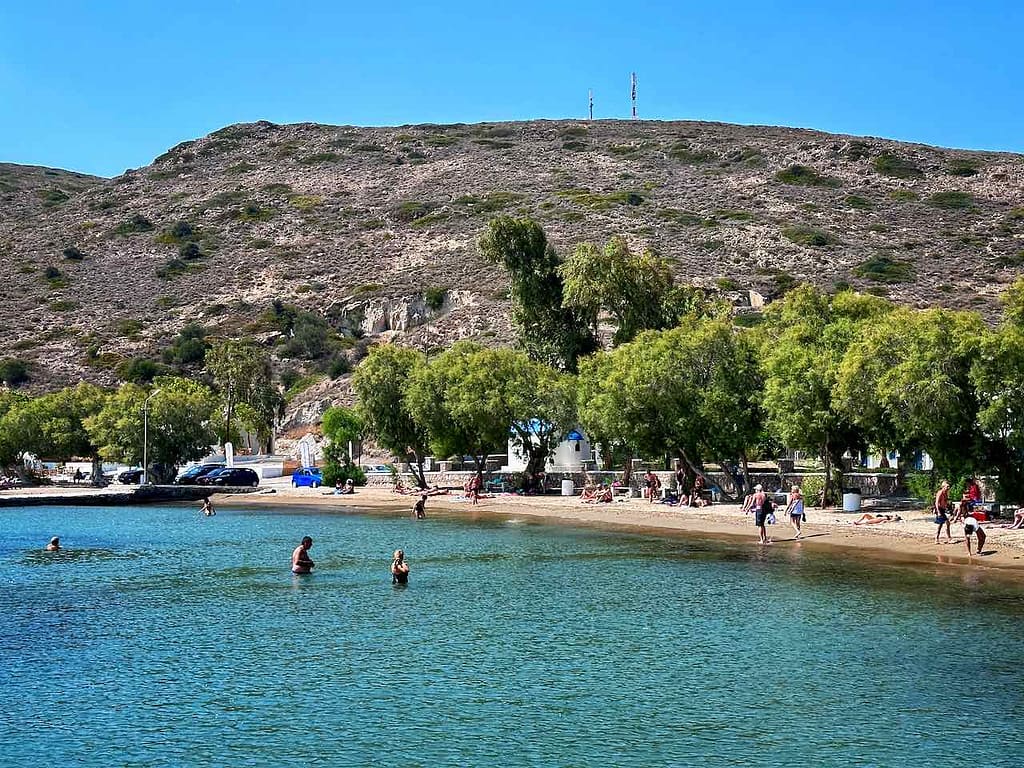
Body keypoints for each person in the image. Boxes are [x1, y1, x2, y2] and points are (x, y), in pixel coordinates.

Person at [934, 480, 953, 544]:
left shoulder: (946, 493)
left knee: (944, 524)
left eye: (948, 486)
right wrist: (938, 512)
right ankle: (947, 538)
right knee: (943, 524)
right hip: (939, 509)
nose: (948, 488)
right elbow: (936, 502)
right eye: (947, 486)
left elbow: (945, 501)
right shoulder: (940, 492)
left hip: (942, 509)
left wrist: (948, 508)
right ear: (943, 486)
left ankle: (939, 538)